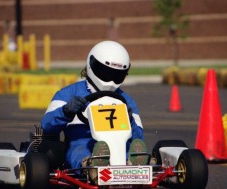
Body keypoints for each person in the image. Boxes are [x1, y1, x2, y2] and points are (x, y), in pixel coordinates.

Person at [41, 41, 148, 179]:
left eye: (116, 75)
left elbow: (139, 138)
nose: (110, 80)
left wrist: (131, 120)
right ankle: (90, 166)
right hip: (82, 139)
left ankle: (133, 164)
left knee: (128, 149)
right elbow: (46, 125)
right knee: (79, 151)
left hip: (119, 142)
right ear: (92, 64)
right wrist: (66, 111)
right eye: (105, 72)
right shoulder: (68, 94)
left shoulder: (126, 100)